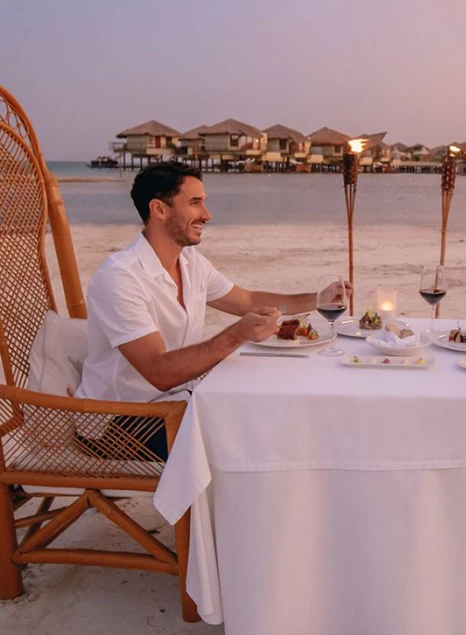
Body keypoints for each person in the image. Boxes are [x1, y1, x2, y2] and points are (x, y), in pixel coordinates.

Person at [75, 160, 349, 457]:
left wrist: (319, 298)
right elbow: (159, 372)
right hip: (121, 422)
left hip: (178, 402)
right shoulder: (120, 278)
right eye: (195, 203)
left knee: (272, 413)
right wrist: (236, 335)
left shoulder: (192, 263)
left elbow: (246, 301)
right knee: (250, 443)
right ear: (159, 209)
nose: (207, 215)